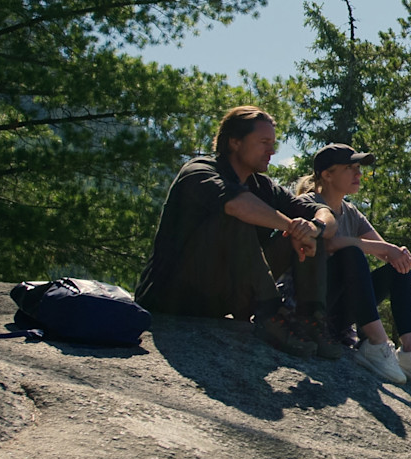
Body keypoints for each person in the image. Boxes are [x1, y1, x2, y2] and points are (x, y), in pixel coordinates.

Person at [135, 106, 336, 357]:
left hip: (219, 299)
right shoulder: (199, 171)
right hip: (173, 297)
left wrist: (314, 227)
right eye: (264, 142)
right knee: (234, 216)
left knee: (311, 232)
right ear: (235, 142)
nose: (272, 151)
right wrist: (292, 227)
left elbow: (322, 211)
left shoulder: (262, 186)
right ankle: (270, 313)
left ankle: (311, 319)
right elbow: (238, 205)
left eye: (273, 144)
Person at [295, 144, 411, 387]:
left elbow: (383, 249)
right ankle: (376, 344)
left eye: (358, 168)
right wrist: (384, 249)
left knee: (397, 267)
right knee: (350, 252)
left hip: (338, 312)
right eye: (350, 168)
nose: (358, 174)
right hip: (309, 305)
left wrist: (397, 254)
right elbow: (328, 245)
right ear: (327, 175)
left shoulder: (350, 212)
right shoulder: (307, 202)